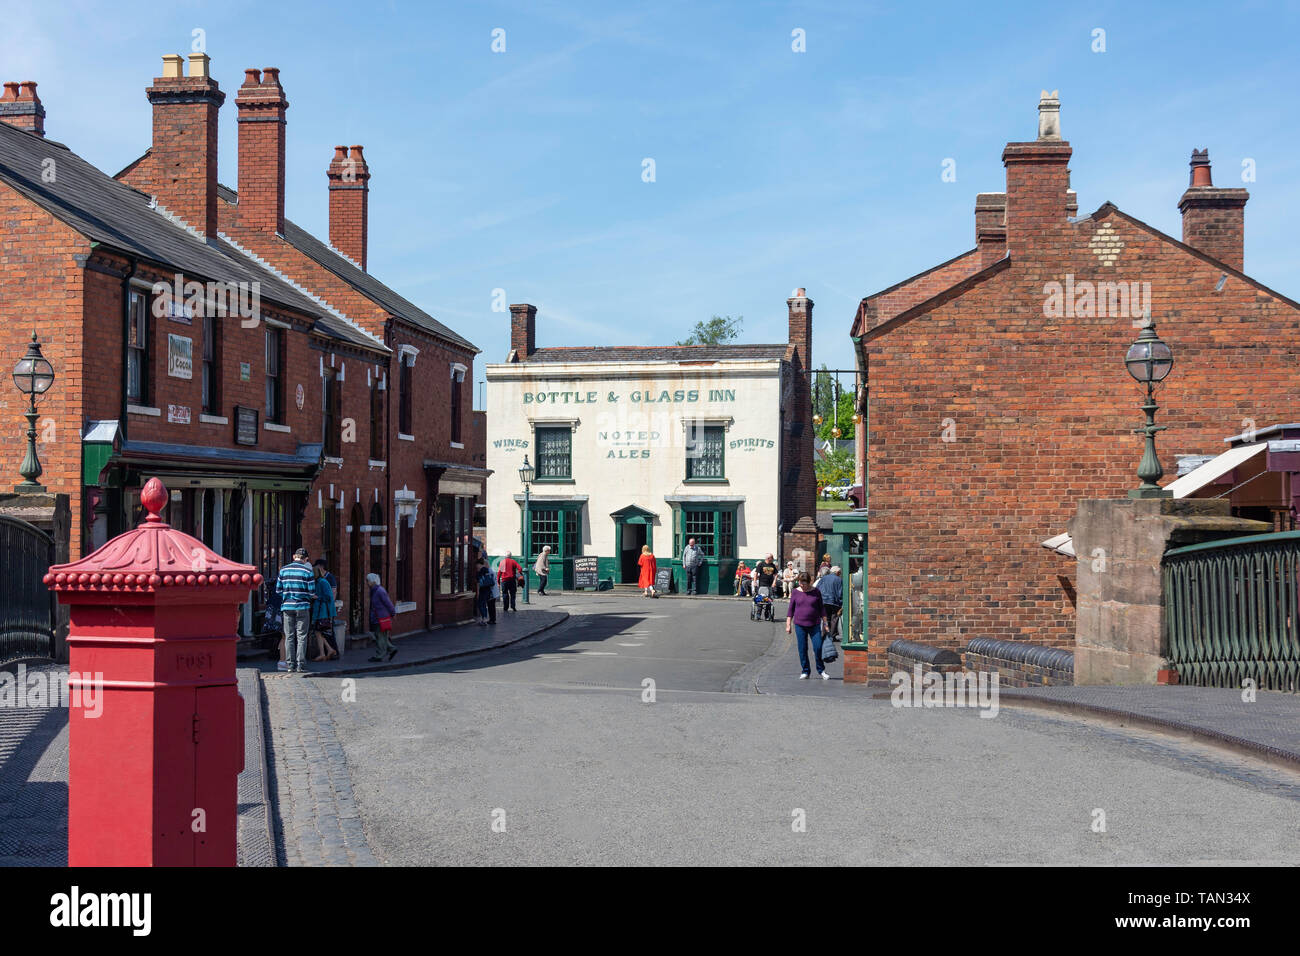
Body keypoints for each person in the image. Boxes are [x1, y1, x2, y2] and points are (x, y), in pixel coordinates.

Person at [275, 547, 315, 674]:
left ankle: (290, 665)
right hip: (302, 606)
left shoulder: (284, 570)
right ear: (306, 559)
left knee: (289, 636)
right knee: (302, 636)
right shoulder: (308, 571)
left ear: (294, 556)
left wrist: (288, 596)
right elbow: (312, 592)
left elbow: (278, 590)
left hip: (287, 606)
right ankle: (300, 665)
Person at [786, 571, 828, 680]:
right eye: (800, 583)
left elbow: (822, 609)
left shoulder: (816, 592)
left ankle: (821, 670)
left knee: (818, 647)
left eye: (804, 583)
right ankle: (805, 670)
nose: (802, 585)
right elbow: (791, 610)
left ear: (809, 582)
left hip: (814, 624)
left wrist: (826, 623)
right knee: (802, 649)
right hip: (800, 625)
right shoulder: (795, 592)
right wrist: (788, 625)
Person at [366, 572, 398, 663]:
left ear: (372, 581)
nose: (367, 582)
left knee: (380, 637)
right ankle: (392, 649)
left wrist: (393, 613)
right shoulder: (374, 590)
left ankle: (379, 655)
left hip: (381, 618)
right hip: (377, 617)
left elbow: (388, 603)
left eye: (368, 581)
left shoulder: (379, 591)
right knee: (381, 636)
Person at [311, 562, 340, 661]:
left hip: (324, 612)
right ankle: (327, 650)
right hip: (320, 611)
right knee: (319, 632)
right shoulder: (318, 582)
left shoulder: (322, 582)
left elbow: (329, 597)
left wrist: (317, 597)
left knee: (320, 632)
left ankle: (327, 651)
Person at [816, 564, 843, 643]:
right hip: (834, 602)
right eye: (839, 572)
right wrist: (841, 603)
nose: (840, 574)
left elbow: (817, 589)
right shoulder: (839, 580)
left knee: (825, 618)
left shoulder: (823, 578)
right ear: (837, 572)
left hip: (824, 601)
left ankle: (824, 635)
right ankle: (831, 636)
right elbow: (841, 593)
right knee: (834, 619)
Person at [475, 561, 497, 625]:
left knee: (481, 604)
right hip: (488, 590)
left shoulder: (481, 571)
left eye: (477, 565)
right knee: (484, 604)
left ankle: (484, 619)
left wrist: (478, 592)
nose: (476, 566)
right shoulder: (488, 570)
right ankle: (485, 618)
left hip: (483, 590)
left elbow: (478, 583)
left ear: (479, 564)